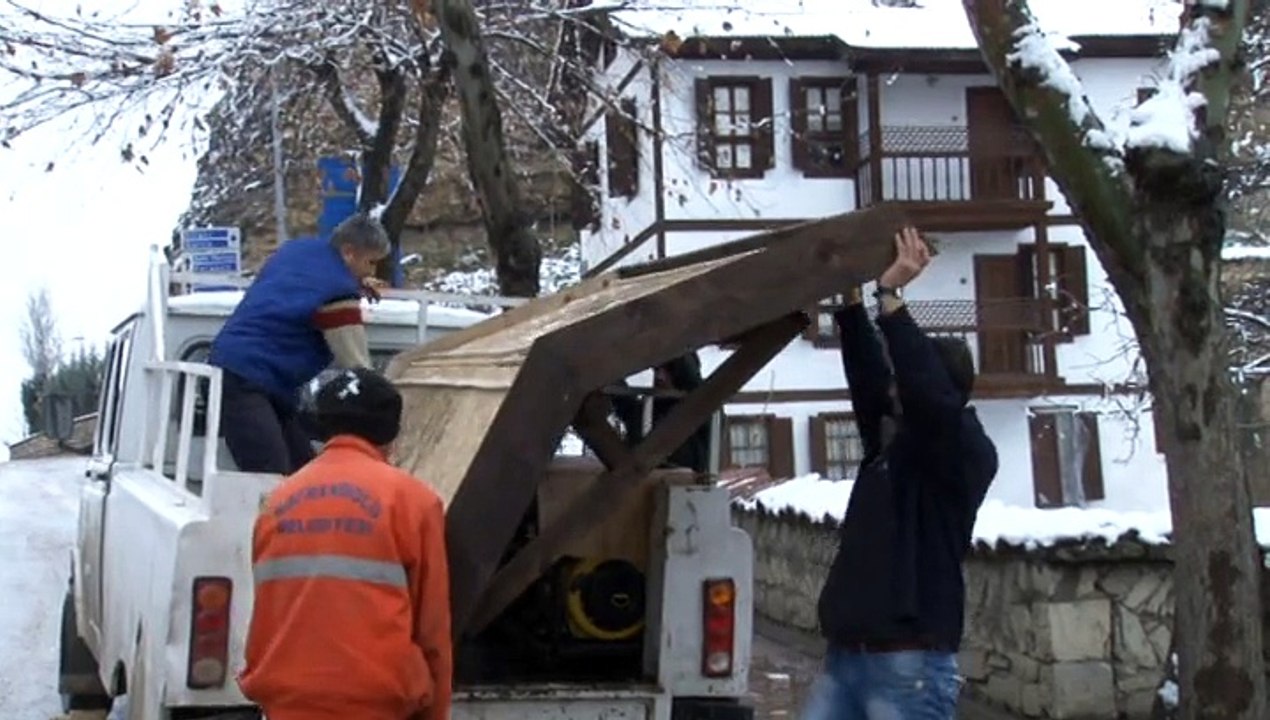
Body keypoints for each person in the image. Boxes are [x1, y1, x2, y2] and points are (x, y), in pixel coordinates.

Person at [801, 227, 999, 720]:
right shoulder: (893, 448)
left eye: (906, 376)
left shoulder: (961, 453)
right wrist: (850, 306)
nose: (895, 384)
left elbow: (927, 397)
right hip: (847, 657)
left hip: (909, 664)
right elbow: (870, 382)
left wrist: (891, 299)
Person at [239, 368, 452, 720]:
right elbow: (433, 632)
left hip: (286, 706)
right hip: (376, 706)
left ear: (323, 429)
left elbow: (270, 611)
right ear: (390, 436)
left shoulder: (276, 502)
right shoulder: (414, 502)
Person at [207, 213, 388, 474]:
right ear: (349, 253)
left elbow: (298, 287)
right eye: (370, 263)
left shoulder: (296, 250)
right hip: (249, 379)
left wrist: (355, 284)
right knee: (273, 476)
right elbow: (357, 364)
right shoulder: (338, 294)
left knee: (304, 472)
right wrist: (382, 404)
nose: (372, 272)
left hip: (241, 367)